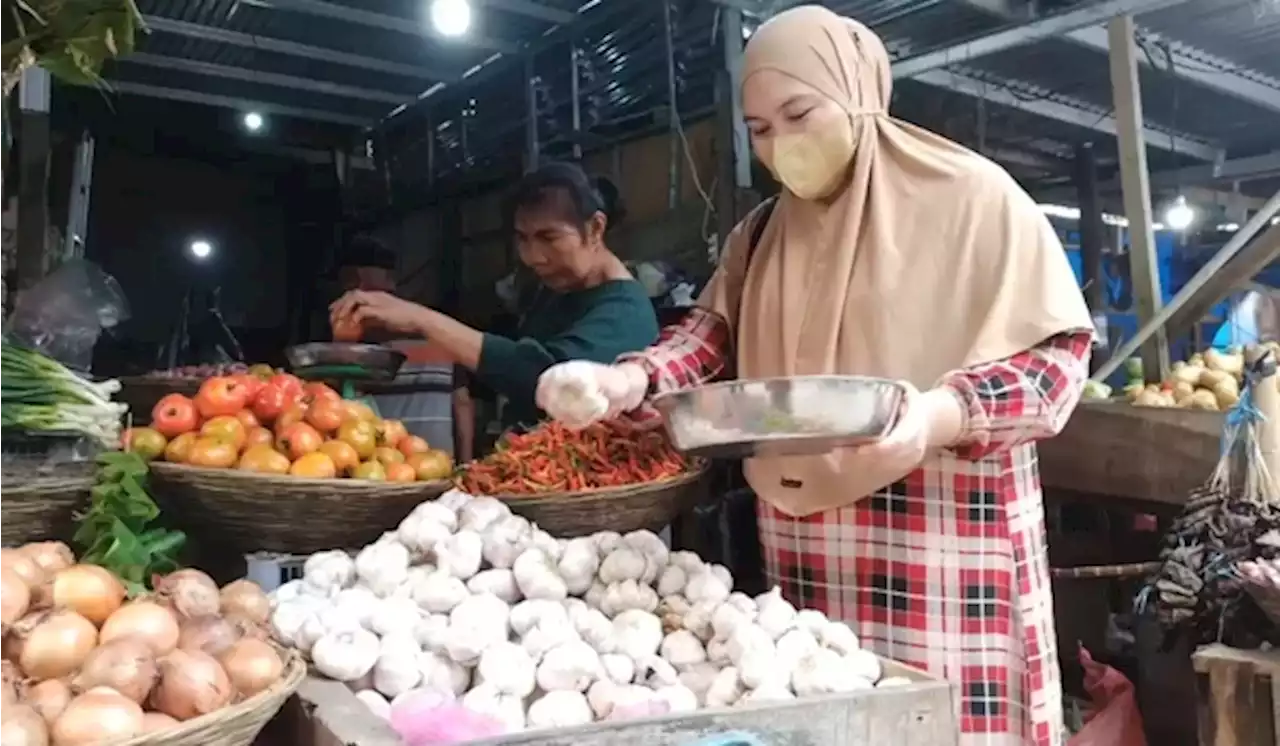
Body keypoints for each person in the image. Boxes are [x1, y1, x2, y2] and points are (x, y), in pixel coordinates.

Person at [534, 7, 1093, 746]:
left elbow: (1056, 365)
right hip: (809, 544)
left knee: (950, 730)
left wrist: (936, 417)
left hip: (948, 539)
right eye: (759, 130)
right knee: (832, 722)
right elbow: (710, 338)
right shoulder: (763, 232)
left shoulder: (977, 200)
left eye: (799, 113)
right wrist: (628, 382)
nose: (780, 147)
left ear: (859, 93)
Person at [331, 162, 659, 434]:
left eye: (549, 237)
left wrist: (421, 318)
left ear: (596, 229)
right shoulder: (554, 290)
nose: (533, 257)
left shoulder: (624, 311)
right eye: (522, 239)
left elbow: (543, 378)